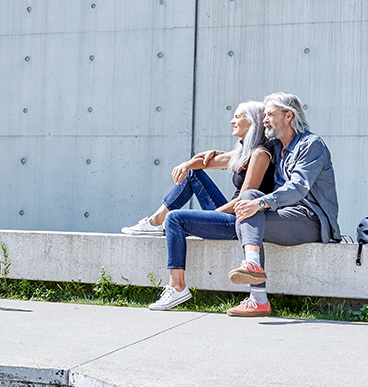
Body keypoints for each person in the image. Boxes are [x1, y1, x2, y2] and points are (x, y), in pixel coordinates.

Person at [122, 102, 276, 311]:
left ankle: (177, 287)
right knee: (194, 175)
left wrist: (215, 214)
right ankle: (155, 221)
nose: (232, 121)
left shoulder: (260, 154)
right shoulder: (245, 150)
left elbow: (244, 200)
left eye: (237, 117)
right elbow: (206, 164)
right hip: (231, 214)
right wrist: (187, 164)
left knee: (175, 219)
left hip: (240, 220)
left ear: (251, 121)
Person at [225, 92, 340, 317]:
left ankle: (257, 295)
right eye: (265, 114)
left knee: (251, 206)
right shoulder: (276, 146)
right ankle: (254, 274)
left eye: (270, 114)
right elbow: (242, 154)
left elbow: (298, 188)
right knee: (247, 206)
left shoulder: (311, 145)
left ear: (288, 116)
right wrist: (205, 157)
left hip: (311, 219)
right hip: (286, 214)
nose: (264, 119)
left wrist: (261, 203)